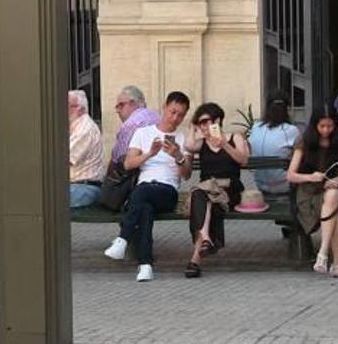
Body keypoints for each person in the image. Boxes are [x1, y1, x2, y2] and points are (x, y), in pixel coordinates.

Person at [103, 91, 192, 282]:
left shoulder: (182, 138)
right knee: (145, 209)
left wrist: (178, 156)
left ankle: (122, 239)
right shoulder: (143, 133)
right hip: (144, 189)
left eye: (180, 115)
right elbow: (128, 164)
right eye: (172, 112)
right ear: (164, 107)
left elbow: (186, 174)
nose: (175, 118)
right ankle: (145, 265)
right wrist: (149, 154)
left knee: (141, 195)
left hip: (167, 191)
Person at [286, 105, 338, 278]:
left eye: (330, 126)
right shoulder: (304, 141)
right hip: (308, 193)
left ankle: (323, 254)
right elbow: (291, 175)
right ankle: (337, 262)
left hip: (331, 190)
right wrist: (310, 177)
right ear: (315, 125)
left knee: (334, 196)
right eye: (322, 126)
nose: (326, 130)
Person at [182, 103, 249, 278]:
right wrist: (192, 126)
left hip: (229, 190)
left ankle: (198, 254)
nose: (203, 126)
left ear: (217, 120)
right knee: (204, 199)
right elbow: (188, 146)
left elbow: (243, 161)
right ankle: (204, 243)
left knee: (202, 198)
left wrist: (224, 144)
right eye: (200, 123)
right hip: (207, 192)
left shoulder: (235, 137)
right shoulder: (202, 143)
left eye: (206, 122)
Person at [248, 91, 300, 197]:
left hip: (260, 185)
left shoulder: (255, 127)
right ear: (288, 109)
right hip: (284, 186)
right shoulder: (291, 130)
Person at [68, 90, 104, 208]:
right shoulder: (75, 126)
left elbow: (63, 160)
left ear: (80, 109)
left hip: (84, 187)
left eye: (67, 106)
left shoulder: (84, 129)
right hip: (76, 186)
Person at [110, 86, 161, 166]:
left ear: (133, 103)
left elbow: (117, 158)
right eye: (116, 107)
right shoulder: (157, 116)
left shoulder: (130, 124)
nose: (117, 111)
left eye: (120, 105)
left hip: (139, 172)